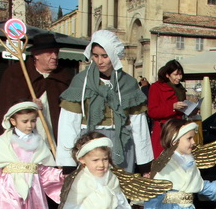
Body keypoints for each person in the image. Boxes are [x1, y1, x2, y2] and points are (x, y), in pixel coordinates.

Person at [57, 30, 152, 172]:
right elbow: (68, 124)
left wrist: (144, 164)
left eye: (104, 56)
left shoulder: (128, 83)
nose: (99, 61)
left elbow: (139, 125)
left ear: (114, 55)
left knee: (119, 189)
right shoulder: (81, 82)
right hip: (89, 143)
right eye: (95, 56)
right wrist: (68, 164)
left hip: (122, 144)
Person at [0, 33, 71, 143]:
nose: (54, 56)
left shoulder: (63, 76)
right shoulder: (17, 74)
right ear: (36, 55)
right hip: (25, 140)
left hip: (55, 139)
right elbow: (5, 106)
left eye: (56, 52)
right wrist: (29, 105)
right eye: (49, 53)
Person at [147, 60, 188, 158]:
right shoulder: (156, 87)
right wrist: (172, 107)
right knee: (163, 161)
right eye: (175, 74)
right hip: (163, 131)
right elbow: (152, 111)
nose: (179, 77)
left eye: (180, 74)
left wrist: (190, 110)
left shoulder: (180, 89)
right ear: (167, 75)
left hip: (179, 129)